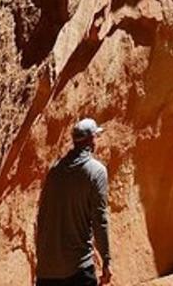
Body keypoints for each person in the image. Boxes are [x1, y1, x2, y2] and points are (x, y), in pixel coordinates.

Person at [35, 118, 112, 285]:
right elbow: (100, 219)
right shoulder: (96, 172)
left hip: (47, 271)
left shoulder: (55, 171)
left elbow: (41, 218)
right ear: (91, 140)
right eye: (96, 137)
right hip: (77, 269)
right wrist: (106, 261)